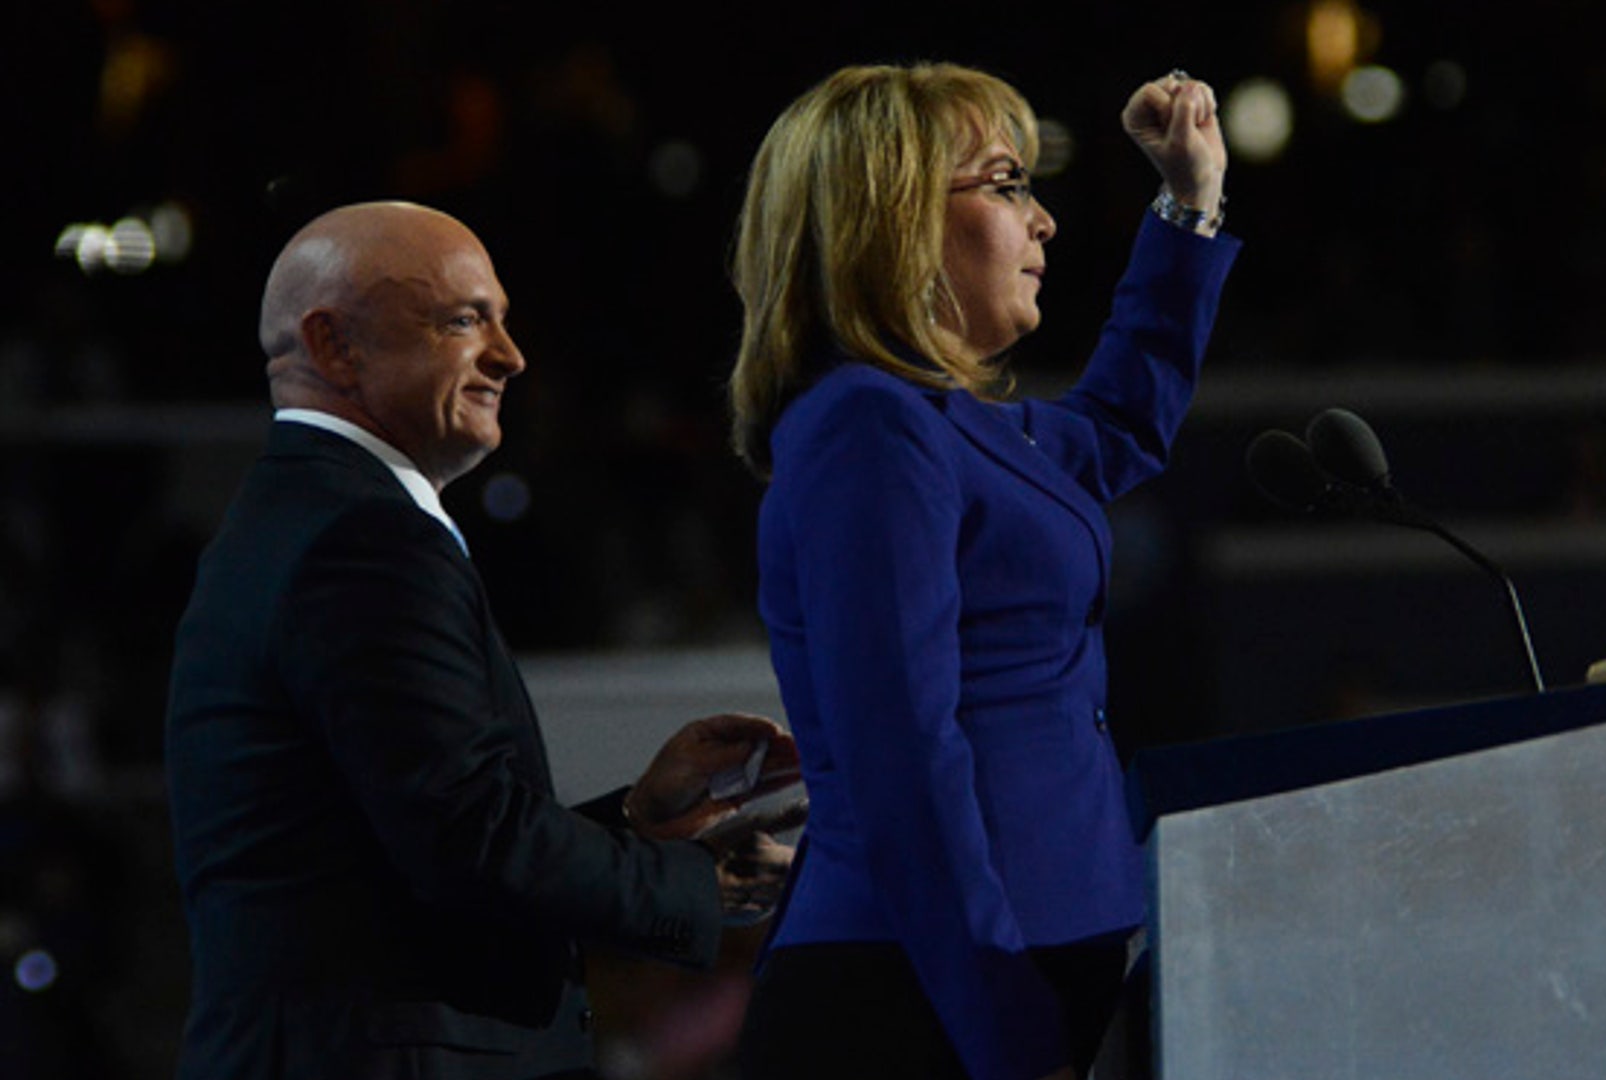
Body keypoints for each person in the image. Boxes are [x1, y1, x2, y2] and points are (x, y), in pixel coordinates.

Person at [165, 200, 801, 1080]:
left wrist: (637, 822)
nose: (509, 356)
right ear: (334, 345)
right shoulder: (361, 538)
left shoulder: (306, 520)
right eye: (464, 320)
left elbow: (408, 842)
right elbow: (469, 843)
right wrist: (699, 884)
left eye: (502, 320)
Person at [727, 64, 1238, 1080]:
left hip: (1021, 965)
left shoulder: (948, 427)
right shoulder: (868, 428)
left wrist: (1191, 204)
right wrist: (1005, 1035)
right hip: (928, 998)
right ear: (897, 220)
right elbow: (904, 760)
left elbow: (1120, 425)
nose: (1043, 222)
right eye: (1007, 184)